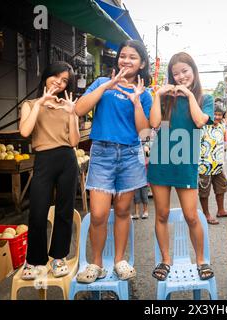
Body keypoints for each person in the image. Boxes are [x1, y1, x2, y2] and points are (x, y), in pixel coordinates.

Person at [74, 40, 152, 283]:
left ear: (142, 64)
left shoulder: (145, 93)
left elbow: (144, 132)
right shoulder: (100, 84)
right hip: (102, 153)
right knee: (97, 214)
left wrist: (137, 101)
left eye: (132, 57)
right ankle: (96, 263)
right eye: (123, 56)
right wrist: (108, 84)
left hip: (130, 154)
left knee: (122, 211)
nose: (126, 61)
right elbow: (79, 109)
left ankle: (119, 260)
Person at [148, 52, 215, 282]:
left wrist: (187, 94)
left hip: (186, 161)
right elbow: (155, 124)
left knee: (191, 216)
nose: (180, 76)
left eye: (185, 71)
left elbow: (199, 121)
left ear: (194, 70)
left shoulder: (205, 99)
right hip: (161, 161)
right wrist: (158, 95)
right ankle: (166, 260)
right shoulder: (166, 98)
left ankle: (201, 260)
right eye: (175, 73)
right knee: (162, 214)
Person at [19, 61, 79, 280]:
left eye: (65, 81)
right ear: (47, 75)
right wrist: (40, 104)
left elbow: (74, 141)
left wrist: (72, 114)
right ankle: (34, 260)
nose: (60, 83)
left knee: (64, 211)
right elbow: (25, 131)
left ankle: (59, 257)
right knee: (37, 211)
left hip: (67, 159)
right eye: (57, 77)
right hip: (43, 159)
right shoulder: (30, 104)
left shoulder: (68, 105)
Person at [199, 106, 227, 225]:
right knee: (204, 190)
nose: (217, 117)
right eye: (215, 114)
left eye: (219, 114)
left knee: (221, 186)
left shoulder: (222, 126)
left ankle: (221, 210)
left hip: (218, 164)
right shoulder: (202, 127)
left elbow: (224, 142)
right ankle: (206, 214)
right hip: (204, 165)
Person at [132, 141, 150, 219]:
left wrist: (147, 151)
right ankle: (137, 213)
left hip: (144, 180)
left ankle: (145, 211)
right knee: (136, 197)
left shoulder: (146, 159)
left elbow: (148, 158)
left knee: (144, 196)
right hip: (135, 179)